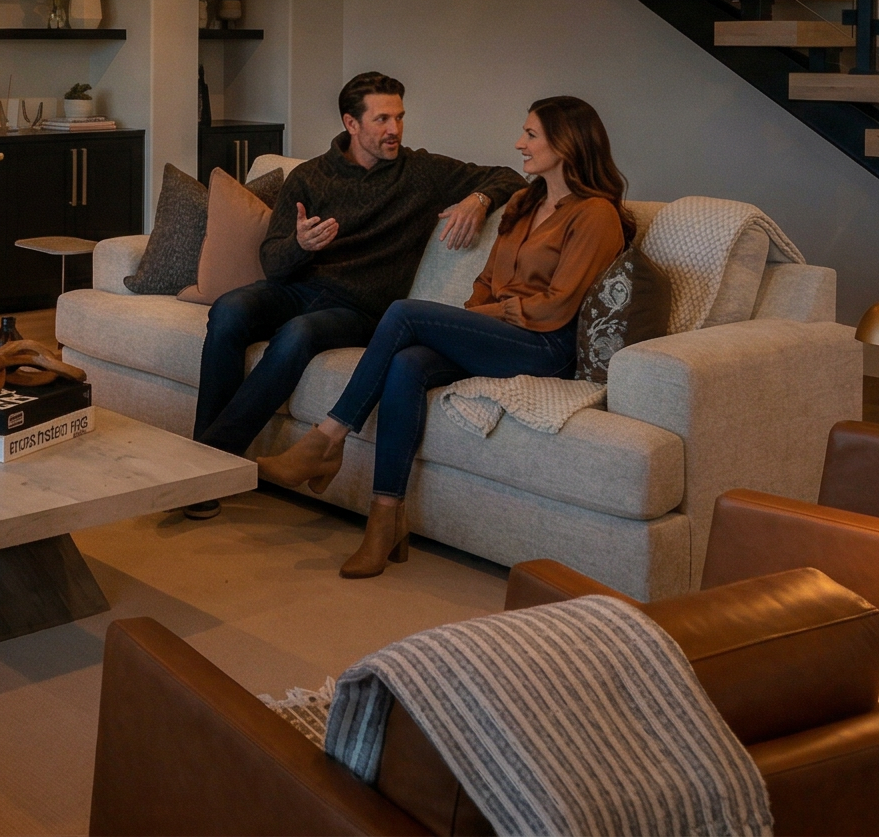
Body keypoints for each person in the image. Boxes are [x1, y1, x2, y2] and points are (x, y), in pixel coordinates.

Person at [255, 95, 627, 578]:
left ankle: (328, 438)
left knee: (403, 313)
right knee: (407, 364)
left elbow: (557, 307)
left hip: (546, 346)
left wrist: (485, 317)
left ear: (566, 143)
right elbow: (486, 280)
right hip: (501, 333)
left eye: (531, 134)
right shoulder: (523, 202)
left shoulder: (595, 215)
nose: (520, 143)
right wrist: (475, 319)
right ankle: (385, 520)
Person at [185, 72, 527, 516]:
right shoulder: (309, 177)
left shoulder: (421, 172)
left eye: (399, 117)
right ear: (351, 123)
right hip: (296, 288)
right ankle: (205, 463)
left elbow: (508, 176)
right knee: (229, 309)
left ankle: (206, 466)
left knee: (297, 334)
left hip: (356, 309)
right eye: (382, 119)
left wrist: (478, 200)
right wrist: (300, 245)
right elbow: (273, 263)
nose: (395, 129)